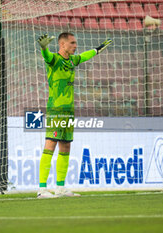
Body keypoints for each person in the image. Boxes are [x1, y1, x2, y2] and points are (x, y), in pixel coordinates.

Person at [37, 32, 112, 198]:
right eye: (72, 43)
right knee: (50, 144)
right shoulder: (54, 59)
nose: (75, 46)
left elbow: (84, 56)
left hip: (69, 110)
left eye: (75, 43)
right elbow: (47, 56)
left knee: (65, 146)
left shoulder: (72, 60)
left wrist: (97, 50)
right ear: (62, 44)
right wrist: (43, 47)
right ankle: (42, 189)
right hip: (56, 109)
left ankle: (60, 188)